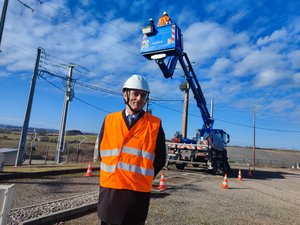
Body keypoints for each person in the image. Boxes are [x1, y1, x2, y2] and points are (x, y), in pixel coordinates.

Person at [97, 74, 167, 225]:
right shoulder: (109, 120)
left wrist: (142, 176)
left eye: (143, 95)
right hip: (110, 192)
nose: (139, 98)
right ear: (125, 94)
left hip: (137, 195)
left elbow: (160, 158)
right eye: (135, 93)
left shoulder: (154, 125)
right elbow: (102, 153)